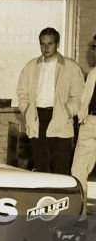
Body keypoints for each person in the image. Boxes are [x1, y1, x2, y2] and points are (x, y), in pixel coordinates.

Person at [16, 27, 83, 175]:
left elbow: (78, 96)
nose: (45, 48)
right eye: (42, 44)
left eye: (50, 44)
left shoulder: (70, 67)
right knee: (41, 166)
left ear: (57, 44)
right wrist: (27, 110)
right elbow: (22, 92)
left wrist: (66, 112)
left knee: (60, 168)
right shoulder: (31, 66)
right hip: (37, 119)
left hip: (60, 119)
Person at [71, 35, 96, 184]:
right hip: (90, 122)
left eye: (95, 47)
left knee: (79, 170)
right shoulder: (93, 73)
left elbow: (84, 101)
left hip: (91, 123)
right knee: (79, 170)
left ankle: (82, 207)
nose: (93, 52)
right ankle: (82, 207)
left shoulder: (93, 73)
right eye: (93, 47)